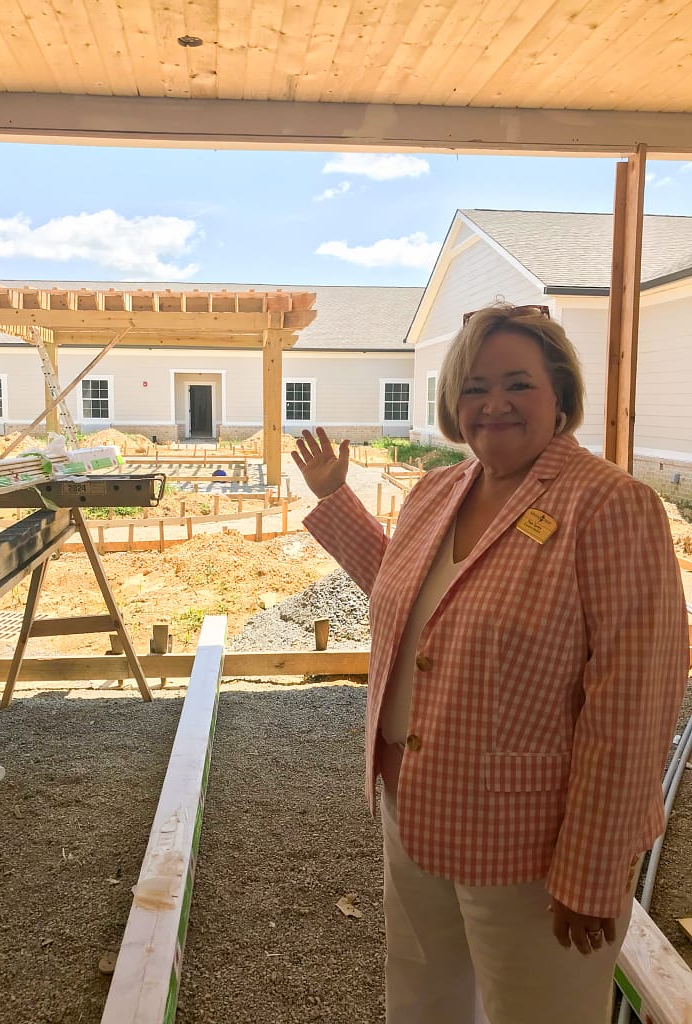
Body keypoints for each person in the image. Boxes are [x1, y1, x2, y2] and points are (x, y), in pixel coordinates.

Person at [290, 303, 688, 1024]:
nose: (494, 404)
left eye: (518, 384)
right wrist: (334, 500)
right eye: (474, 387)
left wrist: (593, 870)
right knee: (422, 994)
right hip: (412, 801)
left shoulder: (610, 505)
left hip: (530, 837)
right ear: (452, 403)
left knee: (538, 1009)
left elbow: (634, 698)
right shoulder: (440, 489)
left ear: (560, 395)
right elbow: (407, 594)